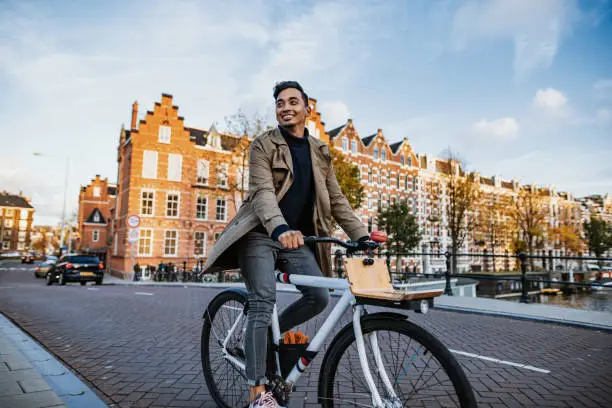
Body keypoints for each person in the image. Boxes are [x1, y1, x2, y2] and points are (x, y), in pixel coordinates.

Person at [203, 81, 370, 407]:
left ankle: (264, 335)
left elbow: (337, 200)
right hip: (261, 235)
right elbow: (263, 194)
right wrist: (279, 227)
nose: (285, 107)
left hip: (296, 240)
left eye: (293, 101)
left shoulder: (320, 152)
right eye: (280, 102)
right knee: (263, 302)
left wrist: (361, 235)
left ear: (307, 107)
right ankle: (257, 393)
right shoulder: (262, 146)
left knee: (319, 296)